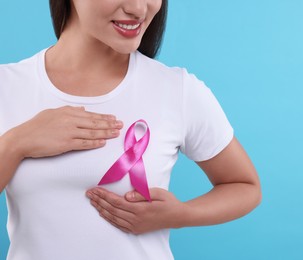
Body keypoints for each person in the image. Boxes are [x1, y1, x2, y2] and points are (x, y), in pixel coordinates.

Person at [0, 0, 261, 259]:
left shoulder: (176, 89)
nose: (138, 8)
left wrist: (181, 214)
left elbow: (245, 186)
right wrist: (15, 144)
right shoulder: (8, 86)